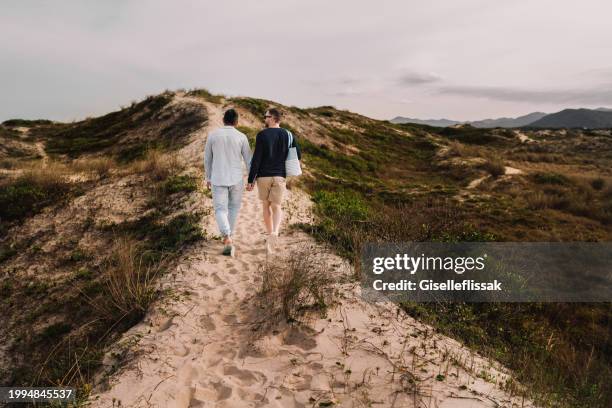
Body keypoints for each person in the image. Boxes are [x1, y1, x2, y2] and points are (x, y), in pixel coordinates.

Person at [246, 108, 301, 253]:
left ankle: (270, 233)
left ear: (273, 118)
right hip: (280, 176)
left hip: (263, 176)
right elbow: (298, 155)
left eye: (266, 116)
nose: (264, 119)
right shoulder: (288, 135)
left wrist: (250, 179)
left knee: (266, 206)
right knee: (277, 206)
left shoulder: (262, 135)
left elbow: (256, 159)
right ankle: (275, 232)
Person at [204, 108, 251, 256]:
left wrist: (208, 177)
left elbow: (207, 159)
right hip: (236, 178)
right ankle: (228, 236)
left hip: (218, 177)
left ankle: (227, 237)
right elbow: (249, 159)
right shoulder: (242, 137)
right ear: (236, 122)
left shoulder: (212, 135)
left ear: (223, 120)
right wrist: (251, 179)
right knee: (233, 208)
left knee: (220, 209)